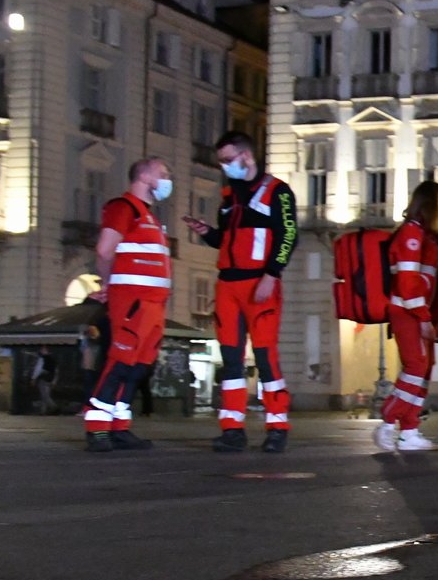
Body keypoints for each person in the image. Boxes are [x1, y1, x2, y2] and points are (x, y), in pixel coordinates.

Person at [184, 131, 297, 453]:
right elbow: (227, 240)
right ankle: (232, 428)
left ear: (247, 157)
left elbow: (288, 234)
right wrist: (208, 234)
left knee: (265, 357)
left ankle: (277, 426)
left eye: (227, 159)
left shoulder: (278, 192)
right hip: (228, 286)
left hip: (258, 283)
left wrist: (271, 275)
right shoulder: (229, 195)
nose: (224, 166)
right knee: (231, 360)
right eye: (221, 161)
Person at [85, 157, 174, 452]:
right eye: (163, 173)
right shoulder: (124, 208)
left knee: (138, 367)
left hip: (152, 304)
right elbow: (104, 250)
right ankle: (97, 427)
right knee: (121, 362)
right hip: (133, 301)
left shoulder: (147, 216)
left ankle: (119, 426)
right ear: (145, 177)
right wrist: (108, 285)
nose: (167, 179)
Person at [373, 181, 438, 453]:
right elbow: (408, 283)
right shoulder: (412, 234)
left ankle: (409, 431)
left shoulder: (423, 236)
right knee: (416, 366)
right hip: (408, 312)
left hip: (416, 312)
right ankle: (388, 420)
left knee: (424, 368)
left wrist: (433, 317)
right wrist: (424, 317)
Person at [30, 345, 57, 416]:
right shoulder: (53, 359)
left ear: (45, 350)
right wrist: (54, 381)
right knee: (46, 395)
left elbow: (38, 369)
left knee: (44, 396)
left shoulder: (42, 359)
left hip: (43, 379)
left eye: (42, 349)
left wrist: (34, 378)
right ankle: (43, 411)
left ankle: (54, 408)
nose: (41, 351)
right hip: (50, 379)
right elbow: (56, 371)